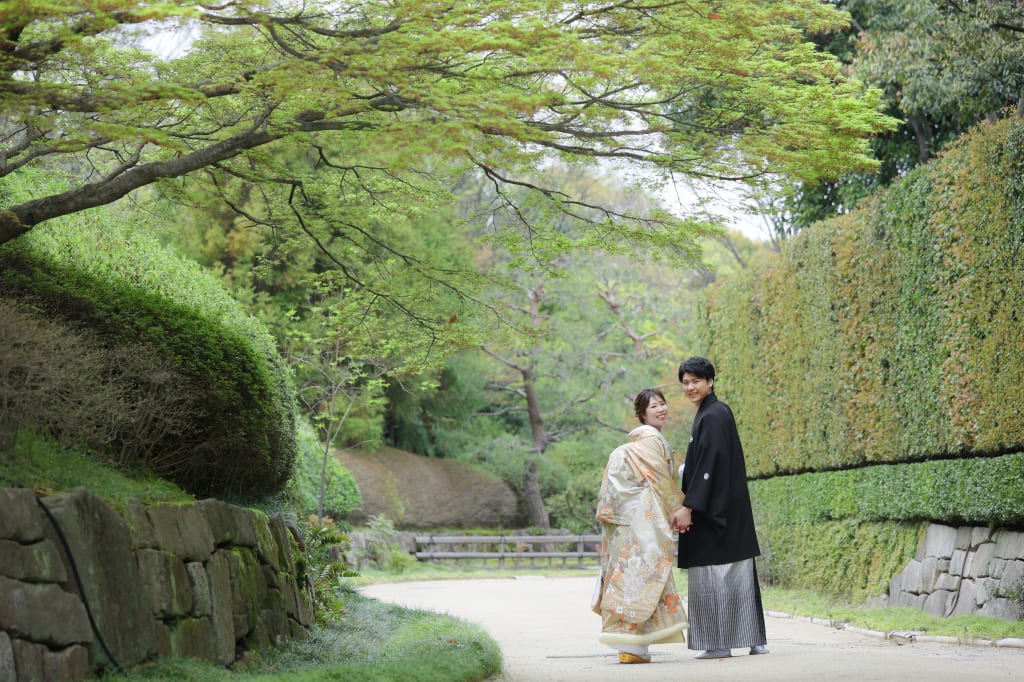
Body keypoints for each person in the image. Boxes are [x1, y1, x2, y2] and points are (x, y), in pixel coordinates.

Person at [669, 356, 769, 660]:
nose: (690, 387)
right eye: (685, 382)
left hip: (714, 511)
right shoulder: (713, 412)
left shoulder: (713, 414)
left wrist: (689, 505)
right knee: (736, 574)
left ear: (710, 381)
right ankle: (754, 640)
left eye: (696, 381)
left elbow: (708, 465)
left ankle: (718, 644)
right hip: (727, 508)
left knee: (713, 577)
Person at [593, 388, 688, 664]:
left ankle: (632, 646)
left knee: (629, 576)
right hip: (640, 521)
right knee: (643, 577)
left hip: (626, 520)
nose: (661, 409)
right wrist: (679, 510)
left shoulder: (643, 440)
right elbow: (659, 482)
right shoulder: (650, 439)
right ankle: (634, 646)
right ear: (642, 414)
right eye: (653, 406)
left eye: (663, 403)